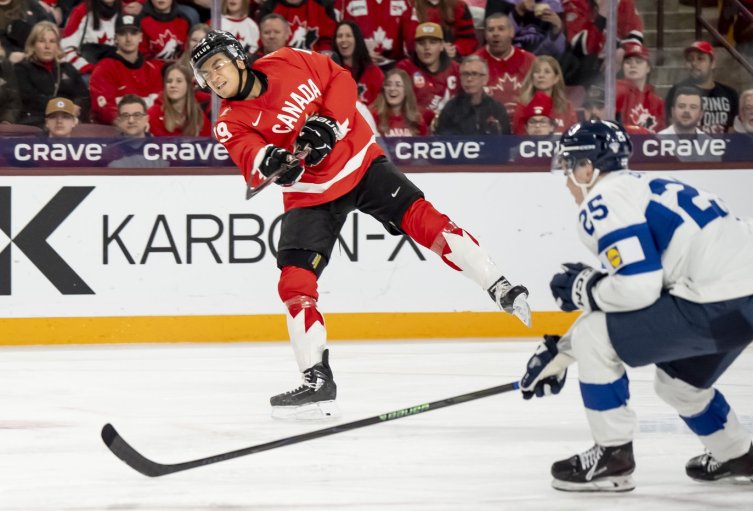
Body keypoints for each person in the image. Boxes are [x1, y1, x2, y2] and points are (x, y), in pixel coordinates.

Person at [190, 30, 531, 419]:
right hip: (310, 195)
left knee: (425, 220)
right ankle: (316, 380)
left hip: (360, 163)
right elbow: (252, 157)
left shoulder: (288, 59)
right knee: (294, 282)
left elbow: (340, 79)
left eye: (217, 65)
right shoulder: (229, 121)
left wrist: (329, 123)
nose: (214, 77)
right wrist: (274, 164)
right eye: (206, 73)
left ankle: (499, 286)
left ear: (238, 58)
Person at [520, 119, 753, 492]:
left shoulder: (603, 200)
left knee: (592, 336)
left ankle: (612, 457)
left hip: (713, 302)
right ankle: (738, 456)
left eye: (569, 166)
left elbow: (638, 288)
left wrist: (584, 291)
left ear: (587, 168)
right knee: (678, 385)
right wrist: (562, 351)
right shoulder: (645, 186)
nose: (566, 179)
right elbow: (642, 290)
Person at [14, 20, 90, 127]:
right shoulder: (22, 68)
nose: (47, 46)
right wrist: (64, 107)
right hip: (36, 121)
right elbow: (30, 98)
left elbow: (83, 96)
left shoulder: (67, 68)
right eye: (41, 41)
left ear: (57, 46)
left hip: (69, 119)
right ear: (33, 45)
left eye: (52, 41)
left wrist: (76, 107)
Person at [90, 14, 164, 124]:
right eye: (123, 33)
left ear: (141, 37)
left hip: (148, 128)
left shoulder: (153, 69)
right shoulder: (103, 68)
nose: (128, 39)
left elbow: (159, 105)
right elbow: (104, 110)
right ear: (115, 38)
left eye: (133, 33)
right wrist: (133, 124)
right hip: (114, 130)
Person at [664, 41, 739, 134]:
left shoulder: (730, 94)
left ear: (713, 63)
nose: (694, 63)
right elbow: (671, 129)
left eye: (700, 58)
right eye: (690, 59)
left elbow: (734, 131)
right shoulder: (677, 92)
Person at [396, 22, 460, 127]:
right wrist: (432, 117)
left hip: (451, 127)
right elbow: (402, 104)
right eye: (421, 43)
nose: (427, 47)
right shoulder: (404, 69)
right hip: (414, 127)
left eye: (433, 42)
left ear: (442, 46)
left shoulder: (455, 69)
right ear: (415, 47)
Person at [474, 13, 535, 124]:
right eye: (491, 30)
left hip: (525, 124)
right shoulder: (474, 63)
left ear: (511, 32)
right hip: (486, 125)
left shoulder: (530, 61)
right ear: (485, 35)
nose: (495, 34)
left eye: (501, 29)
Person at [433, 55, 510, 135]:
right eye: (465, 74)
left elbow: (505, 140)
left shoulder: (497, 109)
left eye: (474, 74)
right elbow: (443, 140)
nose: (469, 79)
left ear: (485, 79)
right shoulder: (450, 109)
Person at [335, 0, 419, 68]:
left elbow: (411, 42)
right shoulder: (347, 2)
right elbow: (341, 34)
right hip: (358, 64)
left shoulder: (403, 2)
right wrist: (362, 54)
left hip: (394, 66)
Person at [514, 55, 576, 134]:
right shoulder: (523, 105)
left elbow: (572, 135)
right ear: (532, 77)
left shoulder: (566, 106)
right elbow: (518, 135)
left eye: (547, 72)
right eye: (537, 71)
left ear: (556, 78)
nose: (541, 75)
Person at [148, 61, 211, 136]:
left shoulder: (199, 116)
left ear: (188, 85)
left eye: (179, 81)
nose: (173, 85)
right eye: (169, 81)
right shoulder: (153, 114)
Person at [615, 42, 665, 133]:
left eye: (638, 62)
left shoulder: (657, 102)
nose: (633, 65)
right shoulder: (615, 91)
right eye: (628, 62)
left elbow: (661, 133)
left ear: (648, 68)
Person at [60, 0, 120, 75]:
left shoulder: (124, 13)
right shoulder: (80, 11)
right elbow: (65, 48)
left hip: (114, 73)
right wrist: (87, 68)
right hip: (85, 72)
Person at [331, 20, 383, 106]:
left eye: (348, 35)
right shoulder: (330, 71)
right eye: (340, 36)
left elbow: (380, 105)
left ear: (357, 39)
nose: (343, 40)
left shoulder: (374, 72)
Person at [260, 0, 337, 53]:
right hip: (280, 62)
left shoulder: (323, 4)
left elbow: (329, 40)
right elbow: (264, 43)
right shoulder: (269, 7)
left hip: (315, 64)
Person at [368, 68, 428, 137]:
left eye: (398, 85)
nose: (392, 89)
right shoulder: (372, 116)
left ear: (406, 90)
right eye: (388, 85)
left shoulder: (417, 119)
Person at [413, 0, 478, 58]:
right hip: (419, 56)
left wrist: (454, 49)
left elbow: (469, 40)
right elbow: (410, 41)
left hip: (451, 58)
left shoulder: (459, 6)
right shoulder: (412, 6)